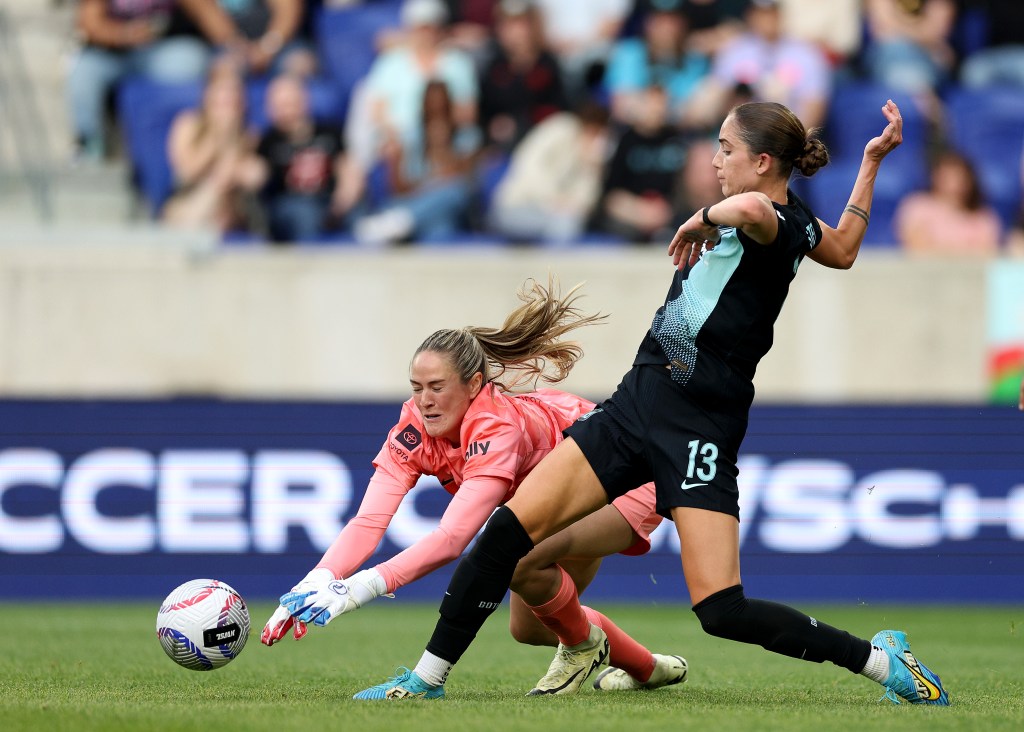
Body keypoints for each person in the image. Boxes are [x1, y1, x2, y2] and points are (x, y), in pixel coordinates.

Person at [352, 98, 952, 708]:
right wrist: (871, 163)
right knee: (506, 537)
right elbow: (846, 245)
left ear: (764, 161)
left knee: (722, 610)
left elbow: (750, 207)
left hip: (700, 432)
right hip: (636, 407)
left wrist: (701, 218)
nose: (715, 159)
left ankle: (880, 660)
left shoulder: (768, 218)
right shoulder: (789, 223)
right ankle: (425, 680)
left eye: (726, 149)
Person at [262, 278, 688, 696]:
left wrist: (360, 587)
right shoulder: (413, 428)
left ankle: (580, 647)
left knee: (516, 557)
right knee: (532, 628)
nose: (424, 400)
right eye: (416, 388)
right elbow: (369, 520)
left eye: (436, 387)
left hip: (624, 480)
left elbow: (452, 539)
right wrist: (315, 581)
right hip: (553, 506)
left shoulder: (495, 425)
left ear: (473, 385)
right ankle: (649, 670)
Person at [68, 0, 237, 161]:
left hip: (158, 52)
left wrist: (235, 48)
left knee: (194, 59)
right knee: (83, 70)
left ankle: (191, 139)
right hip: (113, 54)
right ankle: (89, 142)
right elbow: (89, 23)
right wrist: (124, 34)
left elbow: (208, 15)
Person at [354, 80, 479, 244]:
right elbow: (399, 189)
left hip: (447, 203)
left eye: (441, 101)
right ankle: (404, 222)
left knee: (449, 208)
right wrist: (397, 162)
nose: (436, 106)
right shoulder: (410, 136)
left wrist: (443, 150)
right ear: (423, 104)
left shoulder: (466, 136)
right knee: (440, 224)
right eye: (431, 101)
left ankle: (403, 223)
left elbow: (465, 182)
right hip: (413, 201)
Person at [256, 74, 365, 243]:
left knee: (359, 215)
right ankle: (312, 264)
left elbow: (348, 166)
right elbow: (256, 173)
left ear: (303, 100)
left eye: (290, 102)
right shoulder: (268, 141)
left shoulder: (329, 131)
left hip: (331, 199)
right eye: (280, 105)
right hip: (292, 202)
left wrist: (346, 195)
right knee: (304, 213)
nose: (286, 110)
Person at [162, 62, 267, 234]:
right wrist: (216, 136)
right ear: (208, 96)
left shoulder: (250, 135)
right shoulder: (188, 123)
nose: (227, 98)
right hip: (187, 200)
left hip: (229, 211)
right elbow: (187, 171)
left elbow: (252, 176)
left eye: (233, 92)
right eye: (221, 92)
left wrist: (232, 141)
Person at [894, 148, 1002, 255]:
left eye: (959, 176)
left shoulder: (984, 218)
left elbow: (985, 256)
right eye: (948, 176)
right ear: (936, 177)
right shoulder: (916, 207)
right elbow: (916, 250)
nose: (954, 183)